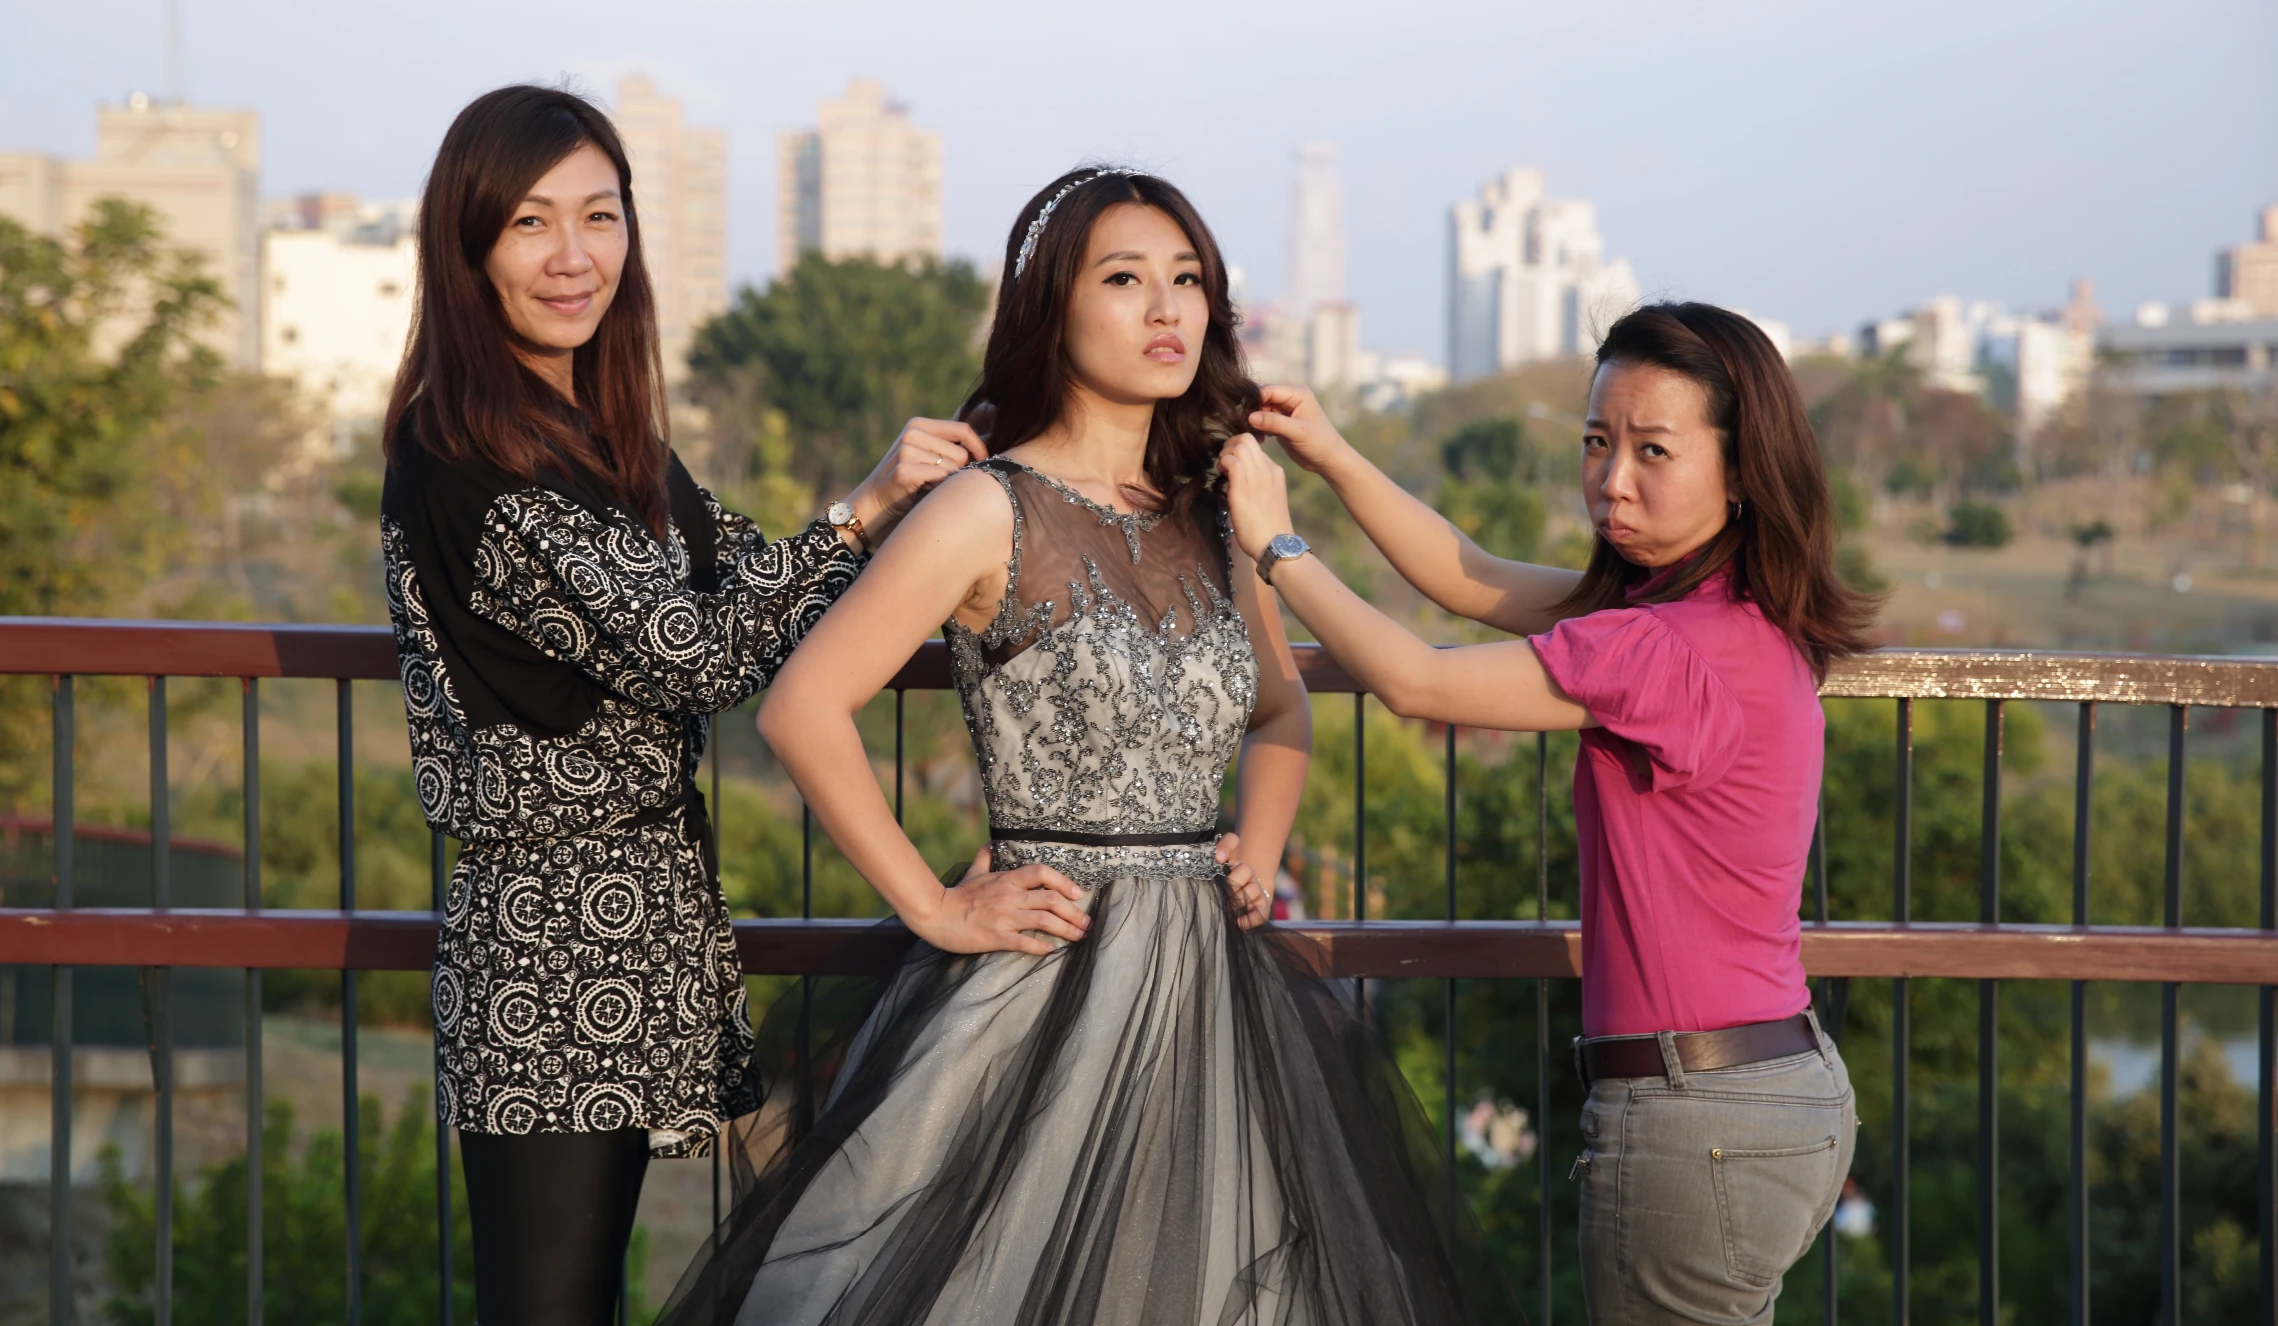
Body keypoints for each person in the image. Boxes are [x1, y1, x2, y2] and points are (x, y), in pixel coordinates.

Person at [662, 167, 1517, 1325]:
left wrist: (1256, 850)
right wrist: (933, 905)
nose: (1167, 309)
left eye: (1188, 282)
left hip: (1215, 985)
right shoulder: (985, 507)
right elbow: (800, 707)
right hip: (1043, 973)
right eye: (1125, 280)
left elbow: (1279, 713)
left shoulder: (1217, 514)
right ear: (1054, 311)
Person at [379, 84, 983, 1325]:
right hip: (545, 937)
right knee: (548, 1304)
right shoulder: (463, 458)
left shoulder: (604, 435)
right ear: (468, 245)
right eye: (532, 224)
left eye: (600, 218)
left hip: (638, 919)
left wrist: (919, 521)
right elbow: (698, 657)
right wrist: (859, 513)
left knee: (601, 1288)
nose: (573, 256)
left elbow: (755, 581)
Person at [1216, 301, 1875, 1326]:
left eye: (1653, 450)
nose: (1611, 479)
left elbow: (1417, 682)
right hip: (1779, 1090)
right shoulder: (1730, 613)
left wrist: (1275, 546)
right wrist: (1331, 451)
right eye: (1596, 442)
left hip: (1694, 1120)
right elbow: (1464, 576)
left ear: (1742, 470)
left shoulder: (1655, 648)